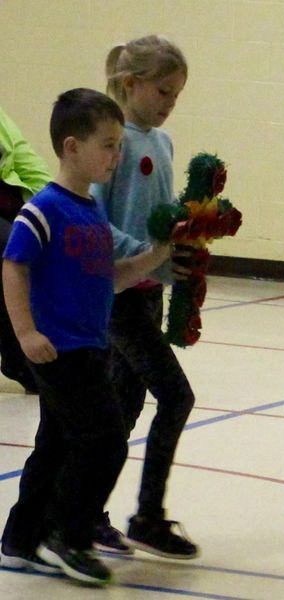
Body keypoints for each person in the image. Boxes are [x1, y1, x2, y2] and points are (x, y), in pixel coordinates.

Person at [0, 88, 171, 586]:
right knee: (104, 440)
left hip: (87, 348)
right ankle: (69, 535)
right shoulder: (45, 209)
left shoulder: (92, 214)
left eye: (119, 146)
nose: (116, 156)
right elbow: (13, 265)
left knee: (55, 443)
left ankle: (21, 537)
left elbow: (108, 279)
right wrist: (25, 331)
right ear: (72, 147)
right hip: (57, 349)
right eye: (108, 145)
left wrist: (154, 257)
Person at [91, 35, 199, 559]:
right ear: (131, 84)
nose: (168, 102)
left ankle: (85, 512)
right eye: (162, 90)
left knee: (124, 407)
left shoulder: (165, 142)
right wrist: (150, 254)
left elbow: (163, 223)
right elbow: (97, 225)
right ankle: (147, 516)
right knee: (176, 396)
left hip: (150, 294)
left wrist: (183, 259)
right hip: (118, 296)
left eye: (176, 95)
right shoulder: (114, 144)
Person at [0, 107, 52, 392]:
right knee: (11, 251)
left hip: (10, 209)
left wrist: (57, 206)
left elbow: (28, 162)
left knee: (41, 243)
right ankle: (19, 357)